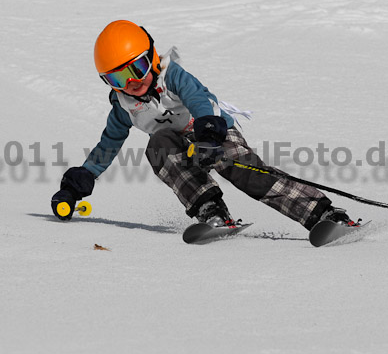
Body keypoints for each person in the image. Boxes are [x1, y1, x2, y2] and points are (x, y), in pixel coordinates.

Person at [51, 20, 355, 230]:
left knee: (246, 174)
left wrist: (209, 134)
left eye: (138, 68)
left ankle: (321, 214)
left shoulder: (173, 77)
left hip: (213, 130)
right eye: (118, 78)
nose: (132, 82)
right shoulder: (124, 106)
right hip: (179, 145)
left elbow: (198, 99)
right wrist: (79, 181)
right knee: (158, 146)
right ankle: (210, 209)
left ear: (153, 58)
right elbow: (108, 145)